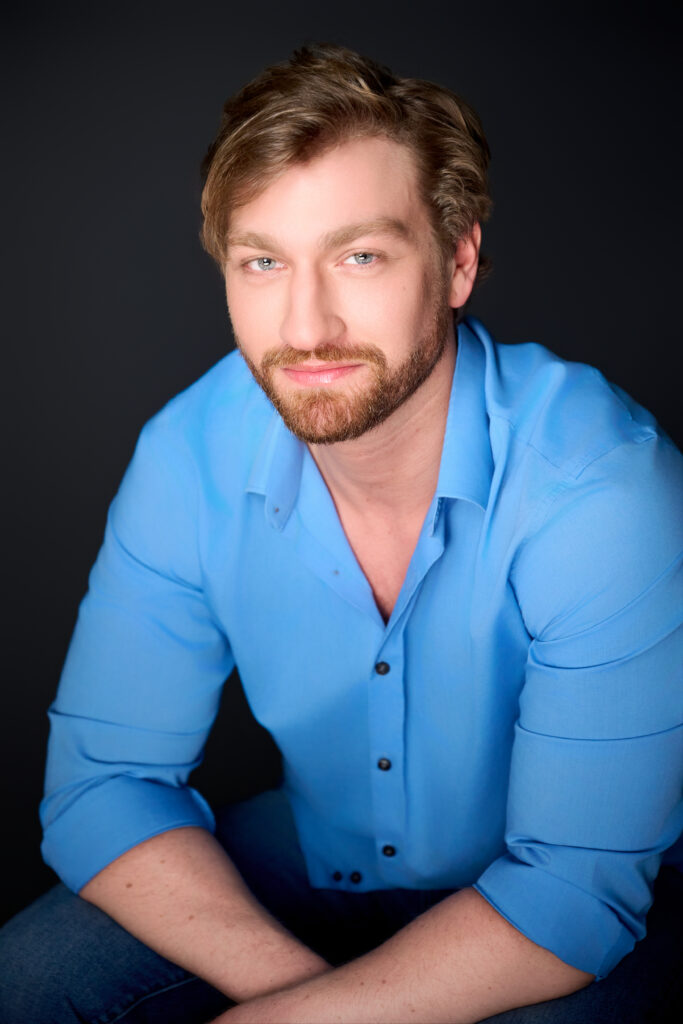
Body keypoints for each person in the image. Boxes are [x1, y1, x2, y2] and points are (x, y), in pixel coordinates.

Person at [1, 43, 681, 1024]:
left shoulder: (602, 488)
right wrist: (296, 999)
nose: (306, 322)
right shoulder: (186, 455)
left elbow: (572, 888)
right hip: (326, 856)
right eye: (262, 262)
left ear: (456, 262)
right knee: (27, 982)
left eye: (359, 256)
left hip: (575, 911)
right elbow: (104, 787)